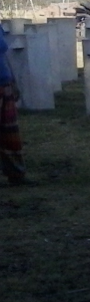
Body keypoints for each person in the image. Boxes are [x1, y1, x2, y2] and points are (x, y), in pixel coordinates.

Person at [0, 25, 30, 186]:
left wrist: (13, 81)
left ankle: (16, 173)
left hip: (4, 84)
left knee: (10, 133)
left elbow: (4, 55)